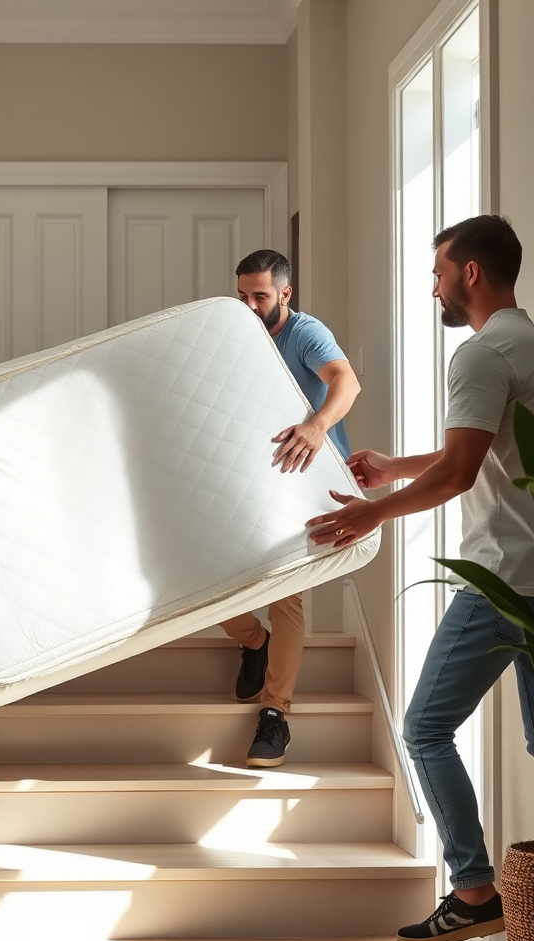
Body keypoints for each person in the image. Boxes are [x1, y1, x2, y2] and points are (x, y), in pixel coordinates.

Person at [305, 214, 534, 941]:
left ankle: (472, 890)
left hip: (505, 580)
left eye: (437, 274)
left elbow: (462, 473)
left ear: (469, 274)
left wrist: (374, 513)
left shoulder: (484, 352)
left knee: (424, 727)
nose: (434, 288)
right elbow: (484, 446)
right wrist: (395, 469)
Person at [221, 249, 361, 768]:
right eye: (243, 296)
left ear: (285, 293)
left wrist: (317, 425)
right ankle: (255, 643)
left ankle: (275, 714)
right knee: (211, 576)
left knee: (286, 594)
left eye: (260, 296)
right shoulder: (238, 333)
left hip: (307, 476)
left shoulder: (305, 332)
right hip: (252, 478)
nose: (250, 305)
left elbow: (346, 381)